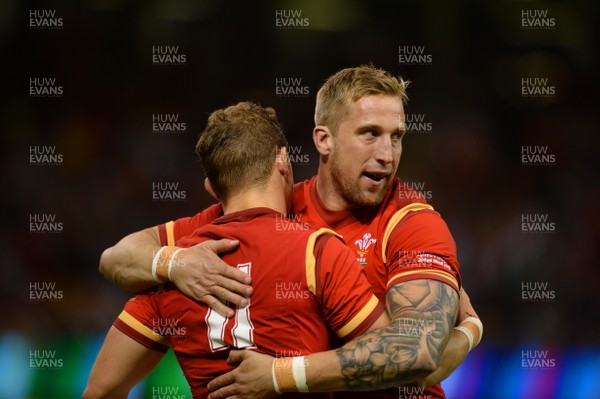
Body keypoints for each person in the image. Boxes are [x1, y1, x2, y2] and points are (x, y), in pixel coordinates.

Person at [98, 66, 483, 398]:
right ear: (323, 139)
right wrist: (173, 261)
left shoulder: (413, 223)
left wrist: (281, 375)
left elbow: (418, 354)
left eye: (396, 136)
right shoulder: (272, 209)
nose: (387, 153)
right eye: (370, 133)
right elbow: (117, 256)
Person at [84, 102, 390, 399]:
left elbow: (101, 390)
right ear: (283, 161)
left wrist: (172, 262)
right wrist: (283, 375)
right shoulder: (317, 251)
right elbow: (388, 355)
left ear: (212, 189)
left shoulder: (174, 272)